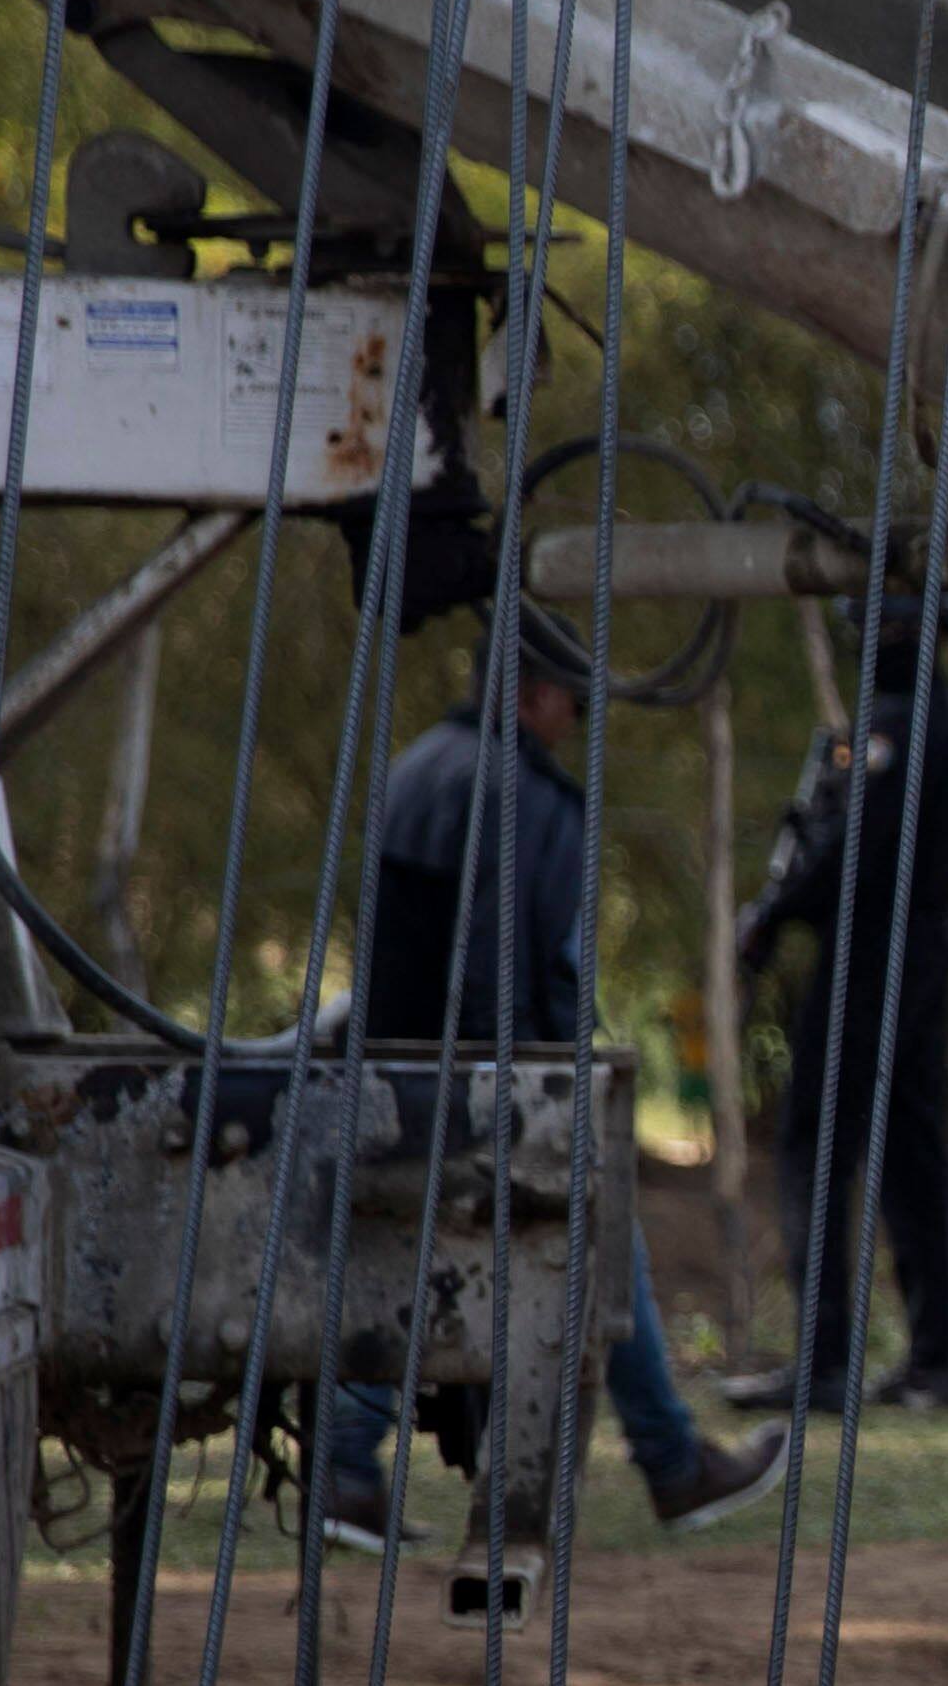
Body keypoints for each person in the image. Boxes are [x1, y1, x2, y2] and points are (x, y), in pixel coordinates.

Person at [320, 598, 785, 1551]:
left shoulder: (417, 769)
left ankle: (343, 1459)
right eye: (569, 702)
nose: (573, 721)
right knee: (591, 1243)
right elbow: (542, 967)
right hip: (496, 1086)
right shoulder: (531, 801)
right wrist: (562, 1088)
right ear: (533, 697)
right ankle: (671, 1462)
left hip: (394, 1078)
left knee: (418, 1260)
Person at [725, 592, 948, 1416]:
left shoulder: (888, 727)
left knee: (815, 1143)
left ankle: (826, 1359)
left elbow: (850, 849)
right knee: (911, 1152)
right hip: (927, 957)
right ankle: (931, 1362)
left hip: (868, 955)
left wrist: (771, 915)